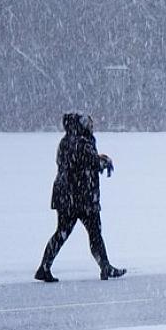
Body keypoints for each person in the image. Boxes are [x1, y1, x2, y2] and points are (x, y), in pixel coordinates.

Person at [35, 112, 126, 282]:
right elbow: (91, 163)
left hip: (65, 195)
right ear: (82, 125)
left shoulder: (65, 141)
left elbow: (74, 163)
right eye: (89, 124)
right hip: (81, 197)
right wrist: (105, 161)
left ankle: (45, 266)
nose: (92, 127)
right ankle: (105, 266)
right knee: (94, 233)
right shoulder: (82, 142)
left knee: (62, 233)